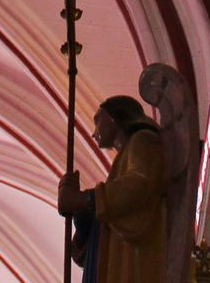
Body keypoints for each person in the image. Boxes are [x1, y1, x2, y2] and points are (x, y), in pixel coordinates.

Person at [58, 95, 167, 283]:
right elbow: (100, 237)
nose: (93, 133)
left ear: (114, 117)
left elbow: (139, 187)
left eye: (98, 120)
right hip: (113, 266)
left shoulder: (144, 141)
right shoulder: (123, 160)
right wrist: (82, 214)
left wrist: (85, 199)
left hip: (130, 263)